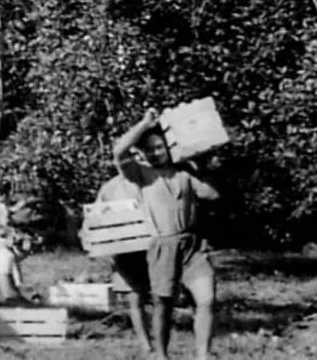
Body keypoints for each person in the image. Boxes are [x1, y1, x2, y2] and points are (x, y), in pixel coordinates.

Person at [113, 108, 220, 360]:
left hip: (193, 246)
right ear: (142, 152)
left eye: (160, 147)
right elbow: (119, 152)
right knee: (164, 304)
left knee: (207, 300)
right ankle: (161, 355)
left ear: (168, 146)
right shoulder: (140, 173)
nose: (156, 153)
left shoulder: (184, 171)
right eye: (150, 149)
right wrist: (144, 123)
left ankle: (203, 355)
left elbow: (212, 195)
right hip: (162, 246)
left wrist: (202, 163)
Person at [91, 174, 154, 355]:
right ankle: (146, 345)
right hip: (127, 248)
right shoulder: (111, 187)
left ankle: (160, 339)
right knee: (135, 298)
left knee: (160, 295)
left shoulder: (156, 179)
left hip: (156, 245)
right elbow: (97, 217)